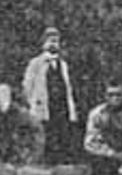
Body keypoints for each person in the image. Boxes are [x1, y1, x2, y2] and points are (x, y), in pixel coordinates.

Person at [22, 27, 81, 164]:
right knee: (45, 133)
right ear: (43, 44)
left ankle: (61, 161)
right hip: (43, 105)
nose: (53, 44)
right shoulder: (36, 63)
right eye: (50, 41)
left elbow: (68, 86)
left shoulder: (63, 64)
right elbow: (27, 85)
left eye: (56, 41)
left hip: (61, 104)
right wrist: (32, 102)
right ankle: (45, 161)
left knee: (61, 132)